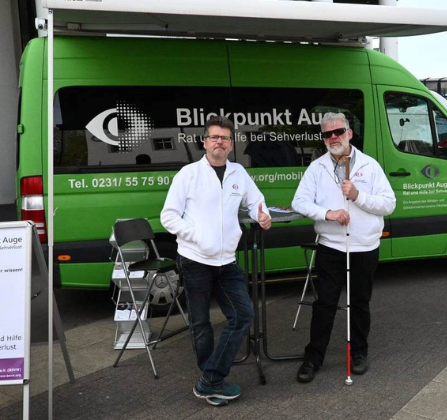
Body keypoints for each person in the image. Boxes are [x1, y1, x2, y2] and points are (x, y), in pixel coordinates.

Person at [161, 115, 271, 406]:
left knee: (242, 315)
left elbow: (256, 200)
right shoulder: (188, 174)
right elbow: (168, 216)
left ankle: (210, 379)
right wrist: (197, 236)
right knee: (201, 323)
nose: (219, 142)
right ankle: (213, 381)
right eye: (214, 137)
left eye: (224, 138)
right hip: (195, 259)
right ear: (205, 142)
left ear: (231, 144)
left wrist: (263, 214)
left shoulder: (238, 173)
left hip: (227, 261)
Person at [292, 112, 395, 383]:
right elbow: (299, 202)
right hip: (331, 245)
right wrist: (328, 213)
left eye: (338, 131)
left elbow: (388, 204)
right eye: (327, 134)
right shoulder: (317, 167)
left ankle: (359, 353)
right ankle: (313, 358)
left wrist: (358, 196)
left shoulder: (370, 166)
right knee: (325, 303)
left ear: (349, 133)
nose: (333, 137)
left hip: (364, 246)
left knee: (360, 302)